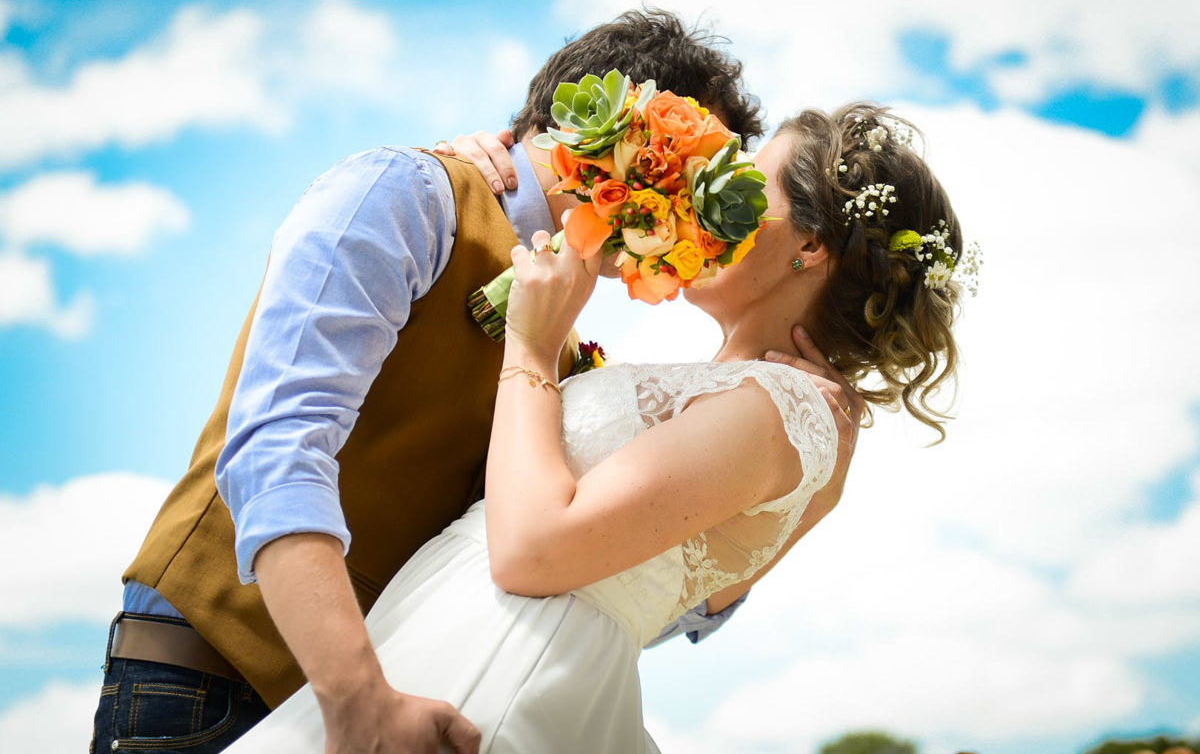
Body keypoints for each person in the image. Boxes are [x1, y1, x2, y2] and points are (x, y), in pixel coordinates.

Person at [89, 9, 860, 754]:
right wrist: (355, 694)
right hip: (209, 689)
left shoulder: (559, 342)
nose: (705, 219)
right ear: (619, 129)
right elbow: (276, 443)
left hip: (390, 718)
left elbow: (588, 583)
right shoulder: (408, 193)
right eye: (696, 172)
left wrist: (790, 499)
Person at [225, 102, 967, 753]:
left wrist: (531, 348)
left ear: (810, 247)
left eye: (747, 184)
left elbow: (533, 553)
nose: (708, 197)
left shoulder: (782, 407)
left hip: (500, 670)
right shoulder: (755, 400)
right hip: (444, 638)